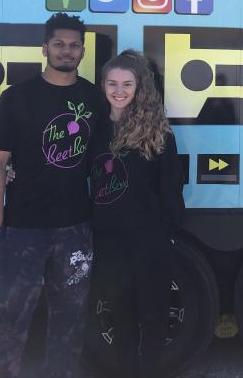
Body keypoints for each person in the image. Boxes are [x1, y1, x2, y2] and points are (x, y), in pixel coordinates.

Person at [0, 13, 105, 378]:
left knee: (70, 324)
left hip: (75, 230)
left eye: (74, 45)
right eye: (59, 44)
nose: (67, 51)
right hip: (22, 230)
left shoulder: (94, 99)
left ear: (83, 51)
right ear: (45, 48)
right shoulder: (16, 98)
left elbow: (102, 161)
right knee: (5, 323)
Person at [88, 49, 185, 378]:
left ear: (139, 86)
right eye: (112, 83)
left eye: (126, 84)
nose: (118, 90)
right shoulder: (94, 130)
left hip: (149, 241)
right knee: (121, 317)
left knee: (154, 318)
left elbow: (171, 190)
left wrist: (167, 234)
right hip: (108, 241)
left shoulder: (159, 134)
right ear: (102, 85)